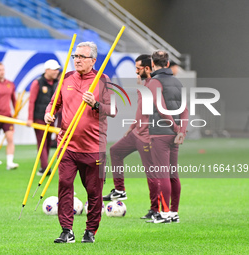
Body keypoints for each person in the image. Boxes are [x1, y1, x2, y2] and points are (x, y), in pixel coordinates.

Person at [44, 41, 116, 243]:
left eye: (82, 57)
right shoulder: (66, 77)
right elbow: (54, 102)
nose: (77, 60)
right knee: (64, 184)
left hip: (94, 148)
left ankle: (90, 231)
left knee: (94, 192)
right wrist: (48, 114)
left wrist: (95, 104)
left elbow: (113, 110)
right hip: (67, 145)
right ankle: (67, 230)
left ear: (93, 60)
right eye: (75, 56)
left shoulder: (103, 80)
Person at [103, 54, 158, 219]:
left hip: (148, 137)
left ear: (147, 68)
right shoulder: (144, 85)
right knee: (115, 151)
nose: (135, 71)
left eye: (138, 68)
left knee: (152, 174)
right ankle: (120, 190)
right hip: (136, 133)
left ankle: (156, 209)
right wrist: (132, 126)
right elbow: (141, 110)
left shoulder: (155, 86)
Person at [146, 50, 188, 223]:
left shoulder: (153, 83)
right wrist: (181, 131)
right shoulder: (178, 83)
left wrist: (176, 127)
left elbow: (161, 108)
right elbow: (185, 109)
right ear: (168, 64)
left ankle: (164, 214)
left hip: (160, 133)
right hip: (174, 135)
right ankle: (174, 213)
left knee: (162, 174)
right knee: (173, 174)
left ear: (153, 65)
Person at [27, 59, 61, 176]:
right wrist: (30, 118)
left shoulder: (57, 83)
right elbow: (31, 101)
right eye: (54, 69)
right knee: (41, 142)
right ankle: (45, 167)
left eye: (57, 69)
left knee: (47, 143)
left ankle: (43, 168)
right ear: (47, 70)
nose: (57, 72)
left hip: (51, 119)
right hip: (39, 118)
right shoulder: (38, 83)